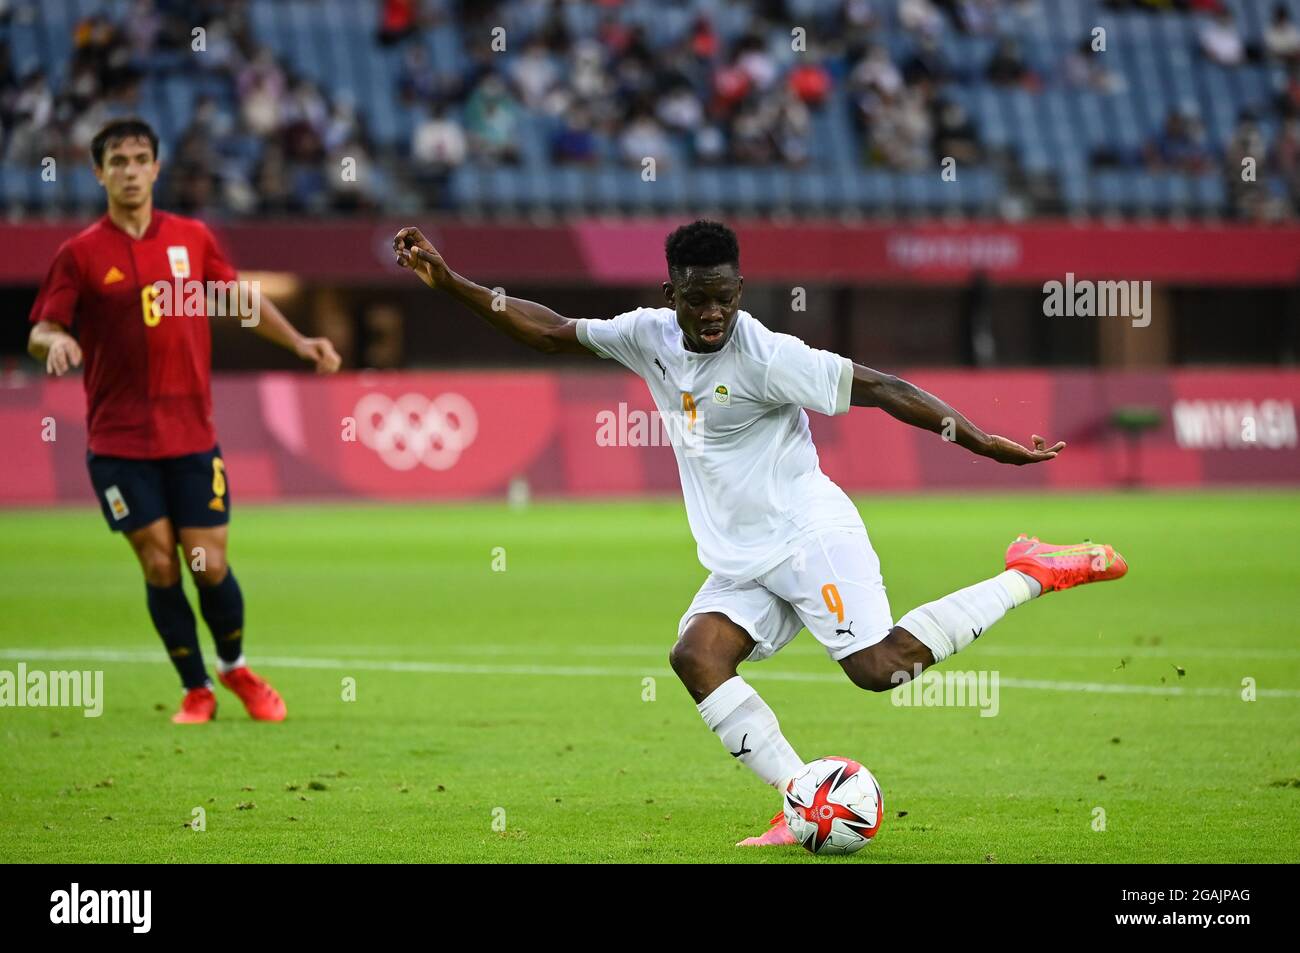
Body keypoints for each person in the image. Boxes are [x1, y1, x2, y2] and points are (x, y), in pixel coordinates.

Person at [392, 218, 1127, 847]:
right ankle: (798, 798)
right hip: (742, 559)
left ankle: (1030, 569)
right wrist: (453, 281)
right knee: (696, 656)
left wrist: (983, 440)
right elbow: (550, 332)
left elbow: (881, 387)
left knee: (879, 669)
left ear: (740, 292)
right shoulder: (647, 337)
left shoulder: (769, 356)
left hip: (809, 536)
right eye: (698, 298)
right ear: (669, 294)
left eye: (725, 296)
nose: (713, 312)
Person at [27, 118, 342, 724]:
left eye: (140, 158)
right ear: (98, 173)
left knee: (209, 563)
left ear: (156, 168)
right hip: (119, 444)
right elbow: (44, 326)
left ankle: (235, 668)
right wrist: (54, 345)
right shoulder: (80, 254)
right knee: (159, 562)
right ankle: (195, 687)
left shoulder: (192, 239)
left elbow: (239, 299)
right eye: (116, 161)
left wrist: (300, 342)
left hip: (192, 436)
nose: (129, 170)